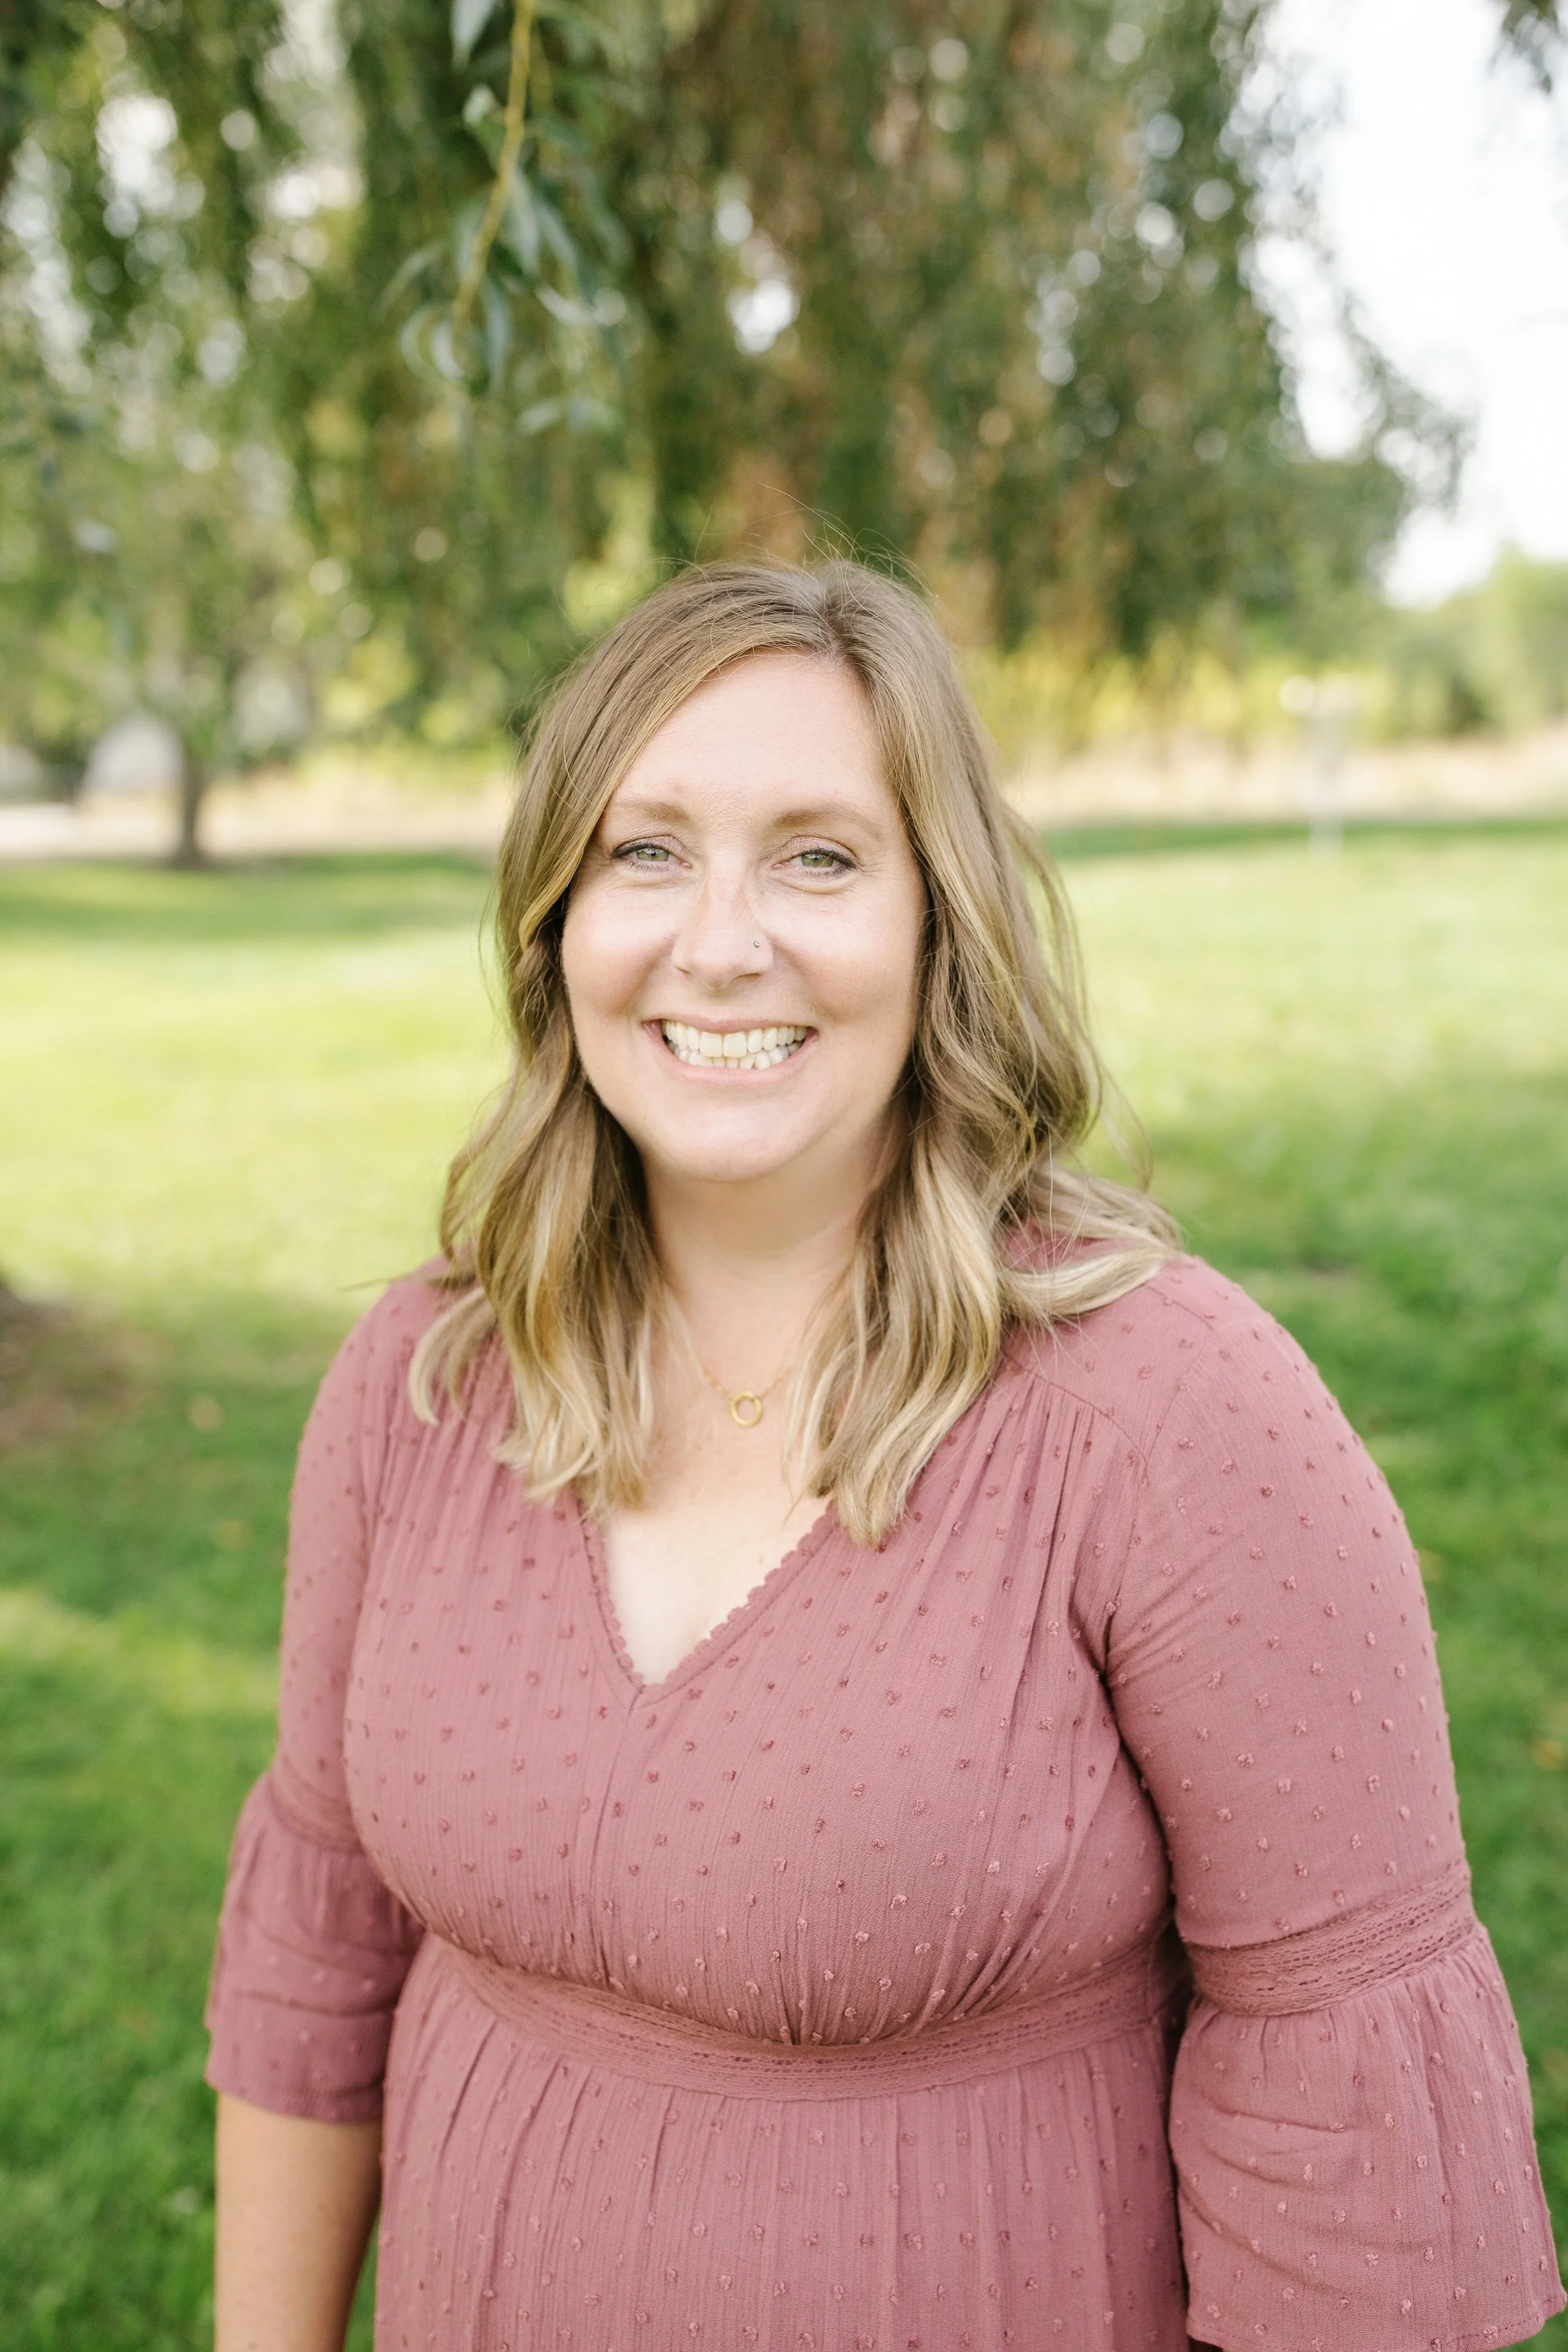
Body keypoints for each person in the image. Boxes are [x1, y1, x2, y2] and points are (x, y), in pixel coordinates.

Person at [206, 561, 1562, 2352]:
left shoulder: (1170, 1412)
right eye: (644, 850)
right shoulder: (429, 1377)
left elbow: (1338, 2097)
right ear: (554, 916)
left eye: (819, 854)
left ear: (941, 917)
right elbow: (318, 1944)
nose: (719, 939)